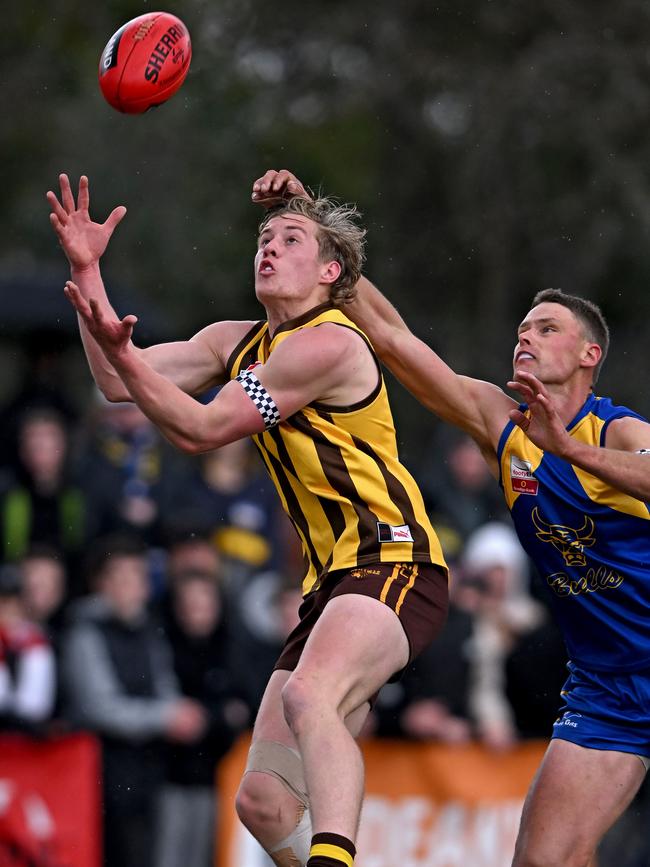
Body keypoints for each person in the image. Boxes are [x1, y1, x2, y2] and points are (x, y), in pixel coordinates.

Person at [46, 170, 449, 867]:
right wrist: (88, 274)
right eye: (263, 236)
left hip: (395, 561)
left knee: (310, 694)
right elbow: (116, 382)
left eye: (290, 238)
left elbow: (200, 429)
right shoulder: (236, 339)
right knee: (262, 799)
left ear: (330, 273)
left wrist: (120, 352)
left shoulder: (331, 343)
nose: (268, 246)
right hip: (330, 587)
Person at [346, 267, 650, 864]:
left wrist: (569, 450)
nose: (525, 338)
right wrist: (326, 246)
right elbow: (392, 338)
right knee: (541, 860)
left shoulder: (615, 430)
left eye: (546, 327)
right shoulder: (503, 427)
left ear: (590, 354)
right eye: (521, 329)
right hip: (607, 688)